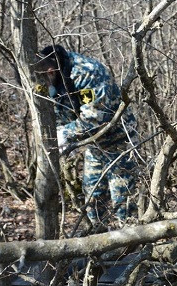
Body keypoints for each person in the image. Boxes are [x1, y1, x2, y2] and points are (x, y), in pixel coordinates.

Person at [34, 45, 139, 231]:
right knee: (93, 198)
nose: (42, 84)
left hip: (120, 142)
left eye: (44, 78)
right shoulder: (52, 79)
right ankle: (99, 245)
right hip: (95, 146)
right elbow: (58, 113)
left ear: (50, 70)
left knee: (123, 202)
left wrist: (64, 135)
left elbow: (96, 118)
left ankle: (132, 249)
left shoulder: (86, 73)